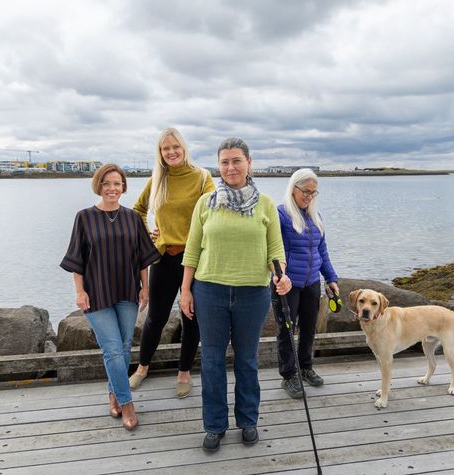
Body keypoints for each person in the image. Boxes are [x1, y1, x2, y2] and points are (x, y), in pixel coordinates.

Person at [180, 137, 292, 452]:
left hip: (252, 293)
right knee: (213, 360)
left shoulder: (266, 204)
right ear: (219, 165)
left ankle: (248, 421)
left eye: (236, 161)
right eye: (225, 162)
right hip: (209, 291)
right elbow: (192, 251)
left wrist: (281, 277)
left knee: (247, 359)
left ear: (249, 163)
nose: (231, 167)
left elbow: (276, 251)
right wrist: (185, 290)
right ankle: (214, 426)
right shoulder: (206, 203)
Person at [60, 163, 160, 430]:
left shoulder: (132, 218)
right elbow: (76, 259)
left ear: (123, 187)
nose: (112, 188)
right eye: (107, 184)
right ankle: (127, 404)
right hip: (97, 293)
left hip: (127, 291)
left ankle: (113, 394)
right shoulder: (84, 217)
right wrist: (79, 292)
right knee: (113, 349)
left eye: (117, 183)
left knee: (124, 348)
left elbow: (142, 258)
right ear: (99, 186)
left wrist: (145, 287)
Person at [128, 128, 215, 398]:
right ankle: (142, 368)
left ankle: (184, 372)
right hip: (164, 259)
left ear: (183, 147)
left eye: (175, 146)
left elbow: (215, 213)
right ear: (160, 153)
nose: (171, 152)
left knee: (192, 318)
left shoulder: (202, 177)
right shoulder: (157, 179)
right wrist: (149, 237)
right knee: (156, 317)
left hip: (196, 261)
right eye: (165, 149)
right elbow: (137, 210)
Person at [272, 168, 340, 399]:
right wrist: (279, 275)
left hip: (312, 282)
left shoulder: (315, 216)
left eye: (313, 192)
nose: (309, 196)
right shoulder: (280, 215)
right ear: (293, 189)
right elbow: (273, 250)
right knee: (287, 330)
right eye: (305, 192)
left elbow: (322, 250)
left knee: (309, 328)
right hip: (287, 284)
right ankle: (289, 374)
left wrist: (330, 278)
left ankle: (305, 367)